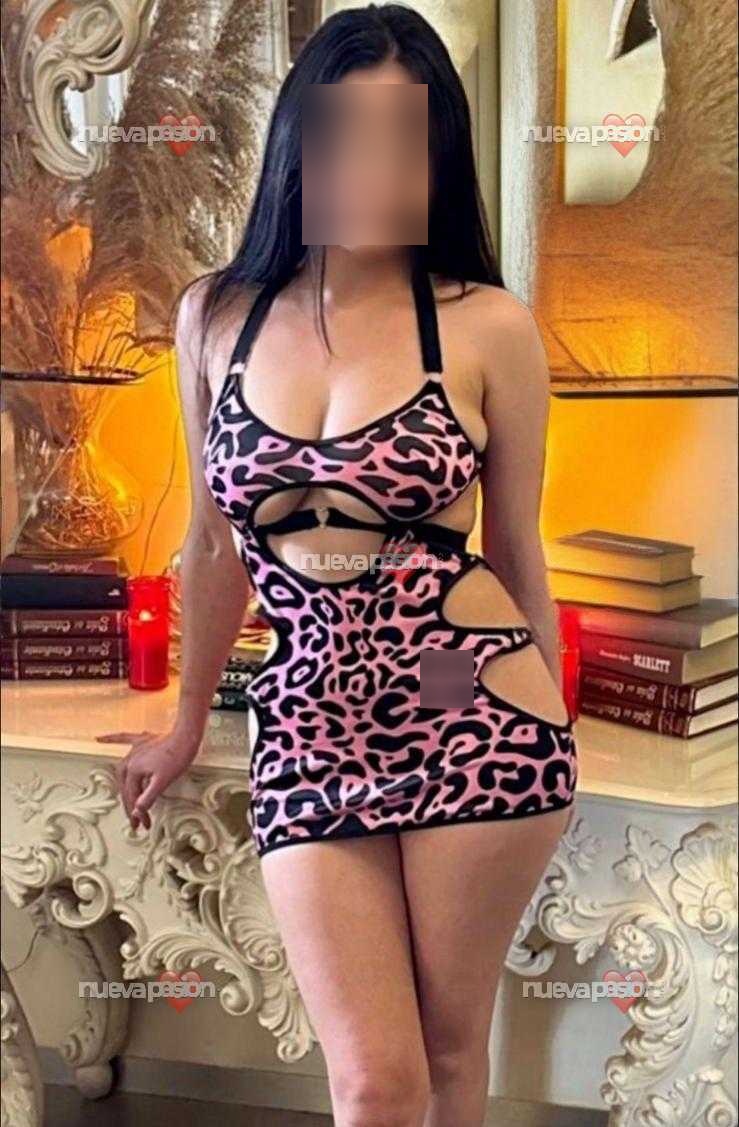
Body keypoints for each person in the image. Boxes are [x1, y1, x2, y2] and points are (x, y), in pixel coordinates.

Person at [100, 6, 578, 1125]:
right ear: (296, 145)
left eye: (401, 141)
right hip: (308, 715)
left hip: (466, 699)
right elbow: (212, 541)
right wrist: (183, 720)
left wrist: (553, 714)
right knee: (372, 1079)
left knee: (449, 1055)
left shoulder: (488, 327)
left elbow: (516, 548)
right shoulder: (214, 316)